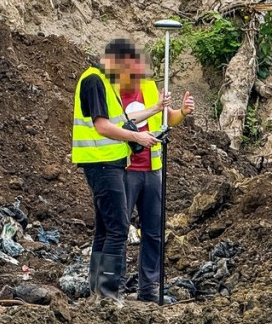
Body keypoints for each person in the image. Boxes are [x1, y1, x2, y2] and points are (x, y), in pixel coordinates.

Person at [72, 39, 158, 300]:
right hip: (102, 162)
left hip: (109, 162)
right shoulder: (95, 81)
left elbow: (121, 121)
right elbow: (102, 126)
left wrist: (154, 110)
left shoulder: (105, 84)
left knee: (106, 229)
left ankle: (99, 292)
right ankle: (109, 295)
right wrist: (138, 139)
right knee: (118, 228)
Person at [120, 56, 194, 303]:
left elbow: (167, 119)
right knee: (118, 229)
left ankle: (149, 288)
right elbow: (118, 124)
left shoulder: (150, 88)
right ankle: (114, 288)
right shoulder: (114, 93)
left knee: (153, 231)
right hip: (126, 168)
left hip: (152, 169)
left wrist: (181, 112)